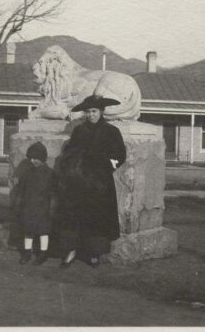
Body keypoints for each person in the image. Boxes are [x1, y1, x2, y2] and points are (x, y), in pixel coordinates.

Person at [57, 94, 127, 268]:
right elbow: (70, 152)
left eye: (94, 111)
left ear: (101, 111)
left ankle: (94, 254)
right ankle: (71, 251)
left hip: (100, 184)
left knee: (97, 218)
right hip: (78, 182)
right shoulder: (79, 131)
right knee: (74, 218)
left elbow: (120, 155)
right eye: (88, 112)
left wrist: (105, 166)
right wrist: (74, 167)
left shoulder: (111, 131)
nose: (91, 115)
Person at [12, 141, 57, 265]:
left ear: (43, 158)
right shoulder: (27, 173)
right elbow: (21, 190)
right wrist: (18, 204)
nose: (33, 161)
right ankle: (27, 253)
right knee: (28, 231)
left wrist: (52, 207)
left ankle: (43, 254)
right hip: (28, 207)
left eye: (36, 158)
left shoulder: (50, 174)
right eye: (31, 158)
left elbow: (54, 192)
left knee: (43, 231)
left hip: (43, 208)